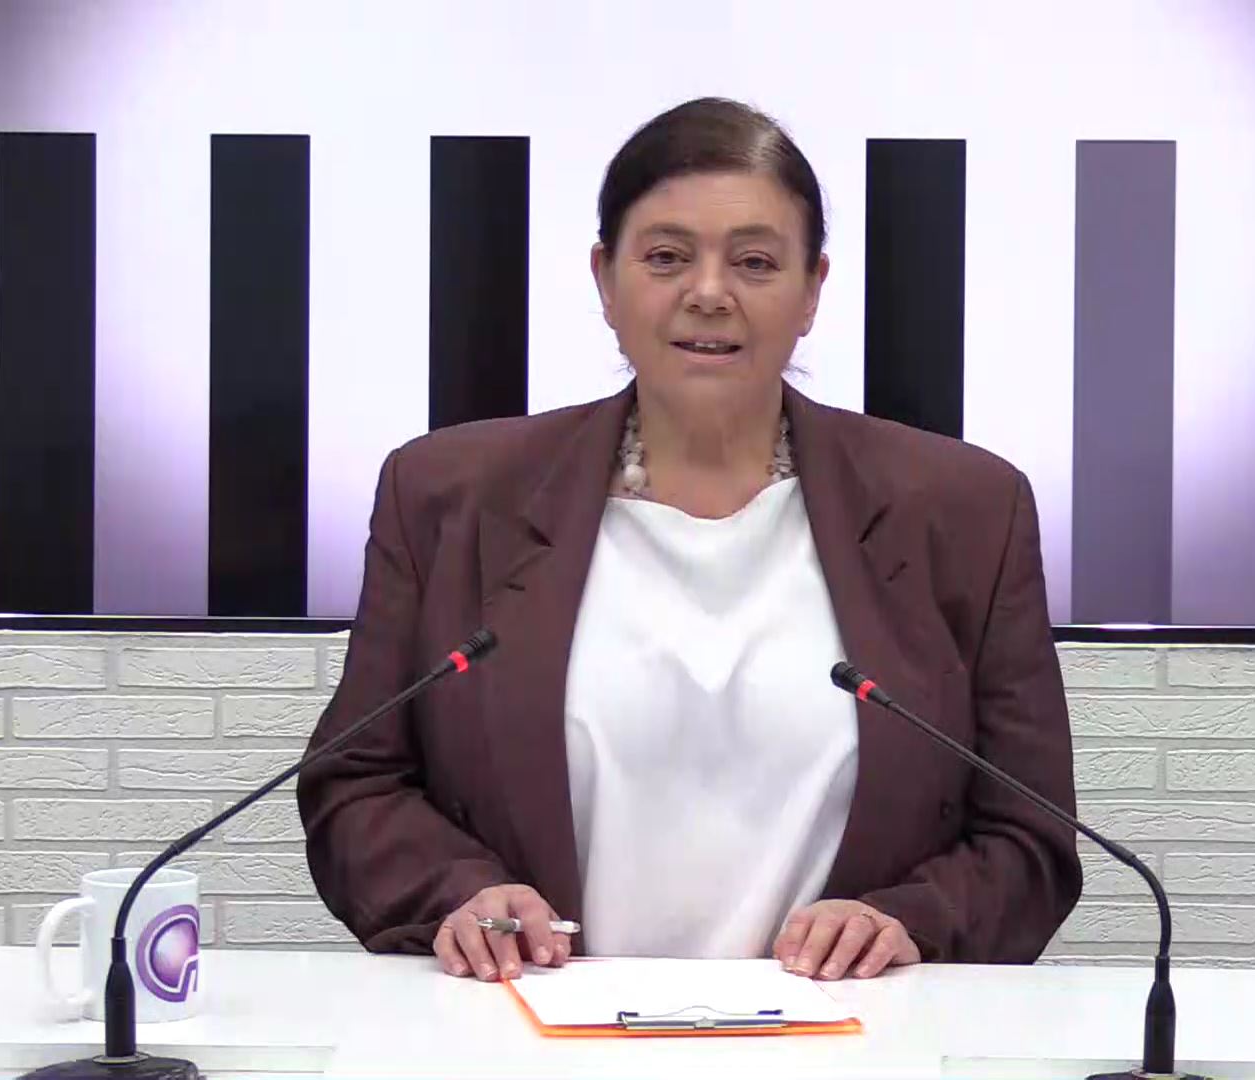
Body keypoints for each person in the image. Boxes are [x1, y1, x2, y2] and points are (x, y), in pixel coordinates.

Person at [297, 97, 1081, 984]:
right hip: (531, 1030)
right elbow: (355, 785)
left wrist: (910, 922)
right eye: (667, 257)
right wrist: (460, 893)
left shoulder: (965, 513)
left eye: (755, 261)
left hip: (854, 1035)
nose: (709, 293)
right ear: (605, 280)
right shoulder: (449, 497)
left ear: (812, 290)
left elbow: (1031, 838)